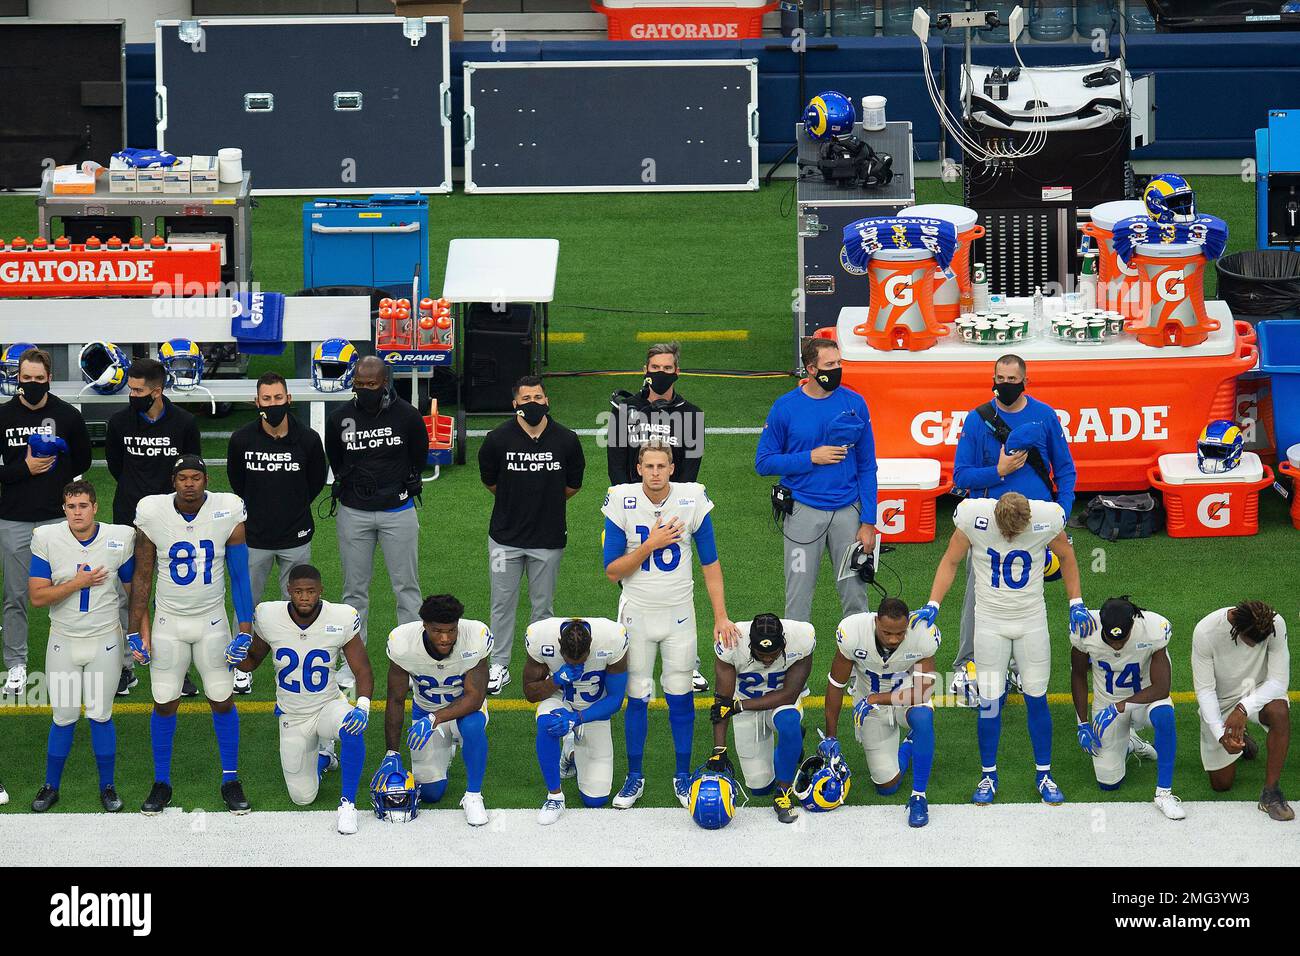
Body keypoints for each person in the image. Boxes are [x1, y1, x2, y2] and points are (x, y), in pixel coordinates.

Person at [913, 491, 1092, 806]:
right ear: (995, 516)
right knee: (990, 703)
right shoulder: (974, 518)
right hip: (990, 624)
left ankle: (1044, 774)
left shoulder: (1047, 518)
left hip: (1031, 621)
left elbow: (1066, 556)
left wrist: (1076, 602)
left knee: (1037, 698)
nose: (1009, 536)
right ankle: (988, 775)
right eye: (1005, 529)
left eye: (1016, 531)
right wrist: (933, 603)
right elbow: (950, 560)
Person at [602, 442, 738, 809]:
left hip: (680, 614)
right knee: (638, 694)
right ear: (639, 468)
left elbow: (710, 563)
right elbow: (612, 569)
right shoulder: (621, 500)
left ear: (672, 468)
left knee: (680, 693)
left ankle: (682, 774)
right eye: (649, 465)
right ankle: (634, 776)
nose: (656, 472)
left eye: (662, 465)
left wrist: (720, 615)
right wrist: (651, 544)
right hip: (637, 613)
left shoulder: (692, 498)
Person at [128, 455, 255, 815]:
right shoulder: (153, 512)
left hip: (212, 620)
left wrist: (243, 628)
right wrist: (134, 629)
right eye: (182, 477)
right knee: (165, 699)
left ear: (205, 479)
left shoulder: (227, 509)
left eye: (195, 477)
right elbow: (143, 574)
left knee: (221, 697)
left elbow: (240, 574)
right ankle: (161, 782)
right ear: (174, 481)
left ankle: (230, 779)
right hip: (168, 620)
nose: (189, 483)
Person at [950, 354, 1077, 702]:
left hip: (1035, 524)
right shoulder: (978, 421)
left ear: (1025, 381)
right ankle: (968, 665)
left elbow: (1065, 471)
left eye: (1011, 379)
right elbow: (961, 477)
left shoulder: (1045, 416)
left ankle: (1023, 668)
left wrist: (1061, 515)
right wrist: (1000, 470)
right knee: (978, 593)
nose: (1005, 384)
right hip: (991, 524)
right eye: (1000, 378)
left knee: (1030, 596)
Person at [235, 564, 372, 834]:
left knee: (352, 728)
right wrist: (233, 658)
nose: (305, 597)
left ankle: (348, 804)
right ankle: (323, 757)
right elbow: (252, 661)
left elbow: (363, 669)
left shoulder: (340, 617)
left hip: (327, 706)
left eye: (310, 591)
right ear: (289, 591)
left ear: (321, 591)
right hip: (293, 715)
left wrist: (363, 706)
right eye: (298, 591)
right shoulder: (269, 615)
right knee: (303, 798)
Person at [27, 480, 135, 813]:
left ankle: (107, 785)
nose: (77, 512)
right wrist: (78, 583)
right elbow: (37, 596)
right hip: (63, 638)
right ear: (64, 509)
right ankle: (51, 786)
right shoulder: (47, 538)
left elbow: (134, 593)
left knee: (101, 715)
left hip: (105, 639)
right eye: (72, 506)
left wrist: (139, 634)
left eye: (83, 505)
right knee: (63, 716)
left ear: (95, 507)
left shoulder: (120, 538)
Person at [608, 343, 710, 693]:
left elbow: (690, 474)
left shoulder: (692, 415)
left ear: (677, 371)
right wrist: (633, 507)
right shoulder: (623, 413)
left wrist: (667, 513)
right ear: (645, 369)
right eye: (656, 366)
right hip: (630, 513)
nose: (662, 372)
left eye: (669, 366)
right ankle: (629, 656)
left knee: (678, 584)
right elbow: (616, 470)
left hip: (674, 515)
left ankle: (688, 661)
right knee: (631, 583)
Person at [755, 338, 877, 625]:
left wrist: (869, 521)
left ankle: (860, 667)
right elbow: (764, 462)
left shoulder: (855, 404)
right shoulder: (785, 408)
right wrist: (811, 457)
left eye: (839, 363)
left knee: (856, 596)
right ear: (811, 368)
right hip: (802, 515)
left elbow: (867, 466)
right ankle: (793, 666)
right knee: (797, 600)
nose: (837, 369)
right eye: (829, 365)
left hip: (849, 515)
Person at [324, 355, 429, 689]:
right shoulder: (339, 418)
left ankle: (412, 661)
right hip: (354, 512)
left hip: (398, 510)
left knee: (407, 589)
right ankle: (351, 664)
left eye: (371, 384)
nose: (365, 390)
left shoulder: (408, 416)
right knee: (354, 591)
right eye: (359, 384)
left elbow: (419, 456)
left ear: (385, 382)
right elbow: (336, 459)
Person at [478, 375, 584, 696]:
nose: (533, 404)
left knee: (543, 608)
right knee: (501, 603)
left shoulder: (566, 439)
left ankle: (542, 663)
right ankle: (499, 664)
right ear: (515, 404)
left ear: (547, 400)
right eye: (526, 399)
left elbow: (573, 485)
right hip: (504, 539)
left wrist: (544, 502)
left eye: (538, 398)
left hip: (548, 539)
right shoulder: (497, 439)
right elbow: (491, 481)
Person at [105, 357, 201, 696]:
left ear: (156, 390)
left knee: (173, 597)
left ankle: (176, 669)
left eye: (137, 390)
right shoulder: (118, 423)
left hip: (172, 522)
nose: (132, 395)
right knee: (123, 596)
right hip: (127, 521)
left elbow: (192, 472)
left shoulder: (185, 423)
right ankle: (124, 667)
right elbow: (117, 467)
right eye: (130, 389)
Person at [0, 347, 92, 695]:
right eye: (27, 379)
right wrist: (23, 469)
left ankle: (76, 657)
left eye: (39, 379)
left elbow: (82, 460)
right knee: (15, 596)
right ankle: (17, 665)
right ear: (18, 378)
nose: (33, 384)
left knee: (71, 591)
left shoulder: (68, 415)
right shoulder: (3, 416)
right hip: (14, 518)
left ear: (49, 378)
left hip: (59, 520)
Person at [377, 593, 492, 827]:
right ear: (424, 626)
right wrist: (392, 753)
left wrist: (435, 718)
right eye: (437, 631)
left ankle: (473, 795)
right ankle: (445, 750)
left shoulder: (475, 636)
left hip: (462, 711)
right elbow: (396, 699)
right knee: (431, 794)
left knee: (472, 726)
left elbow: (475, 697)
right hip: (425, 712)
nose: (445, 638)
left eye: (451, 631)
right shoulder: (402, 643)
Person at [823, 598, 939, 828]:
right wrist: (831, 737)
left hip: (904, 699)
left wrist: (877, 698)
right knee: (887, 786)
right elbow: (835, 685)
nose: (894, 639)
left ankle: (919, 797)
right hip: (871, 710)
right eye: (887, 633)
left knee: (923, 718)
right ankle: (909, 745)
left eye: (900, 633)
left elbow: (922, 693)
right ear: (876, 622)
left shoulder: (922, 634)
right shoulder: (853, 633)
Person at [1070, 596, 1182, 819]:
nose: (1117, 645)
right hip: (1107, 703)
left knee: (1164, 716)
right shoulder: (1085, 629)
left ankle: (1164, 794)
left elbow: (1161, 689)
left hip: (1146, 699)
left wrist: (1119, 707)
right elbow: (1078, 674)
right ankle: (1130, 743)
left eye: (1122, 640)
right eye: (1111, 640)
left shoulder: (1152, 628)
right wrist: (1082, 723)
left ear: (1133, 625)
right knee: (1108, 784)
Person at [227, 372, 328, 603]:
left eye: (278, 397)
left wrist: (293, 505)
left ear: (289, 399)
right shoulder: (241, 440)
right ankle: (243, 641)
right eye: (267, 399)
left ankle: (292, 642)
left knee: (299, 605)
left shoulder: (308, 439)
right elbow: (237, 482)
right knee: (246, 604)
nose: (273, 404)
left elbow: (316, 481)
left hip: (296, 536)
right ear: (257, 402)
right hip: (253, 537)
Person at [707, 613, 815, 823]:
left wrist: (738, 706)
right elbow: (722, 702)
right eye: (760, 654)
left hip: (779, 703)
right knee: (759, 787)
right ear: (749, 646)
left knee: (789, 724)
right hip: (745, 708)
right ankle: (792, 748)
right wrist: (719, 750)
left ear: (784, 643)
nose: (767, 660)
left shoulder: (801, 637)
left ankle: (783, 794)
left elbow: (790, 694)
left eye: (773, 654)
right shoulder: (731, 643)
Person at [1191, 601, 1291, 821]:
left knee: (1280, 712)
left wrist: (1243, 708)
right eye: (1251, 641)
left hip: (1260, 693)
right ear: (1235, 626)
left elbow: (1278, 682)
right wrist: (1220, 734)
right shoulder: (1205, 632)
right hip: (1222, 701)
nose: (1256, 646)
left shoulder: (1275, 625)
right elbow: (1205, 690)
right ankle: (1241, 736)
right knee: (1221, 785)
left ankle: (1271, 792)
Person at [523, 616, 629, 825]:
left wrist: (576, 719)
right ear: (559, 645)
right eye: (569, 660)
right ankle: (555, 797)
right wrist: (556, 679)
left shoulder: (612, 638)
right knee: (547, 724)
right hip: (559, 700)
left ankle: (570, 750)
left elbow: (616, 699)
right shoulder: (540, 636)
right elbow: (530, 693)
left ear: (590, 647)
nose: (576, 665)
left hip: (592, 709)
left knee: (595, 799)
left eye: (581, 660)